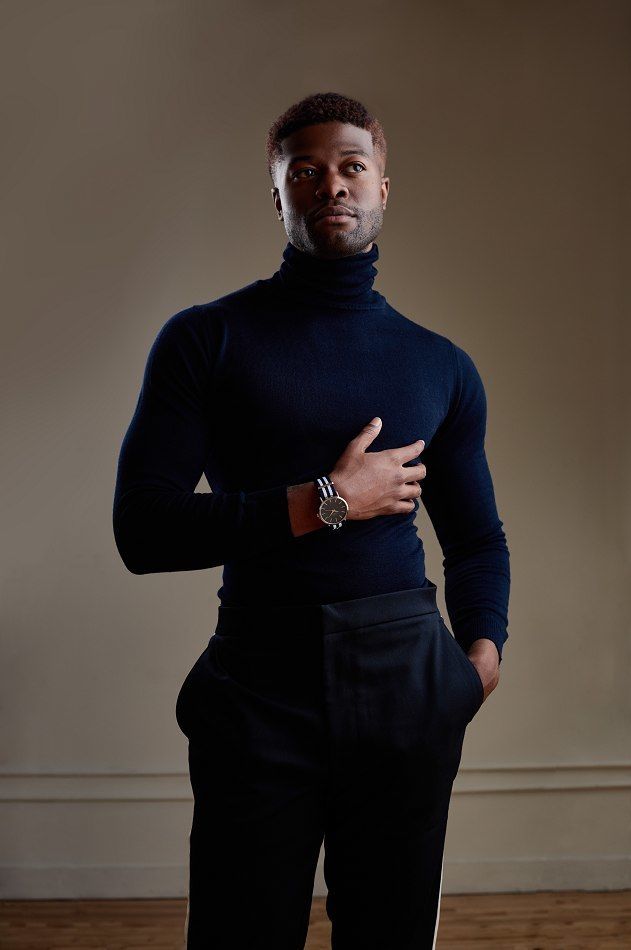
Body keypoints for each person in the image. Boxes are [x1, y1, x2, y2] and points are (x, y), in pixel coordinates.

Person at [113, 91, 510, 950]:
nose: (332, 185)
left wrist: (480, 657)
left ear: (382, 188)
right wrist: (325, 501)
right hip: (260, 682)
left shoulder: (440, 364)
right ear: (278, 194)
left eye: (351, 167)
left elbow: (477, 540)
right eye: (305, 171)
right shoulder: (206, 340)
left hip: (407, 683)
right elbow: (142, 529)